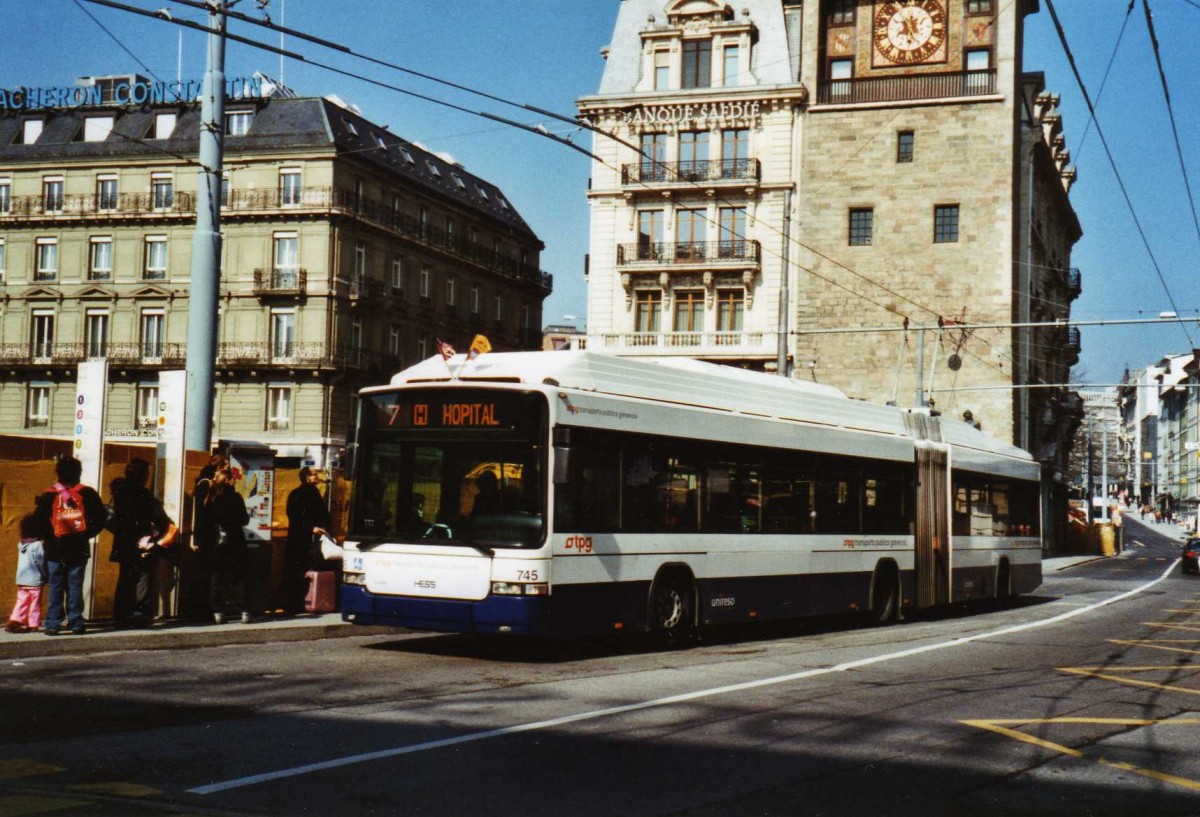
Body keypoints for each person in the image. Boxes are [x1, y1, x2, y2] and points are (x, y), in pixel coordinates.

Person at [34, 456, 105, 636]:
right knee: (75, 585)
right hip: (78, 547)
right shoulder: (87, 493)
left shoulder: (49, 495)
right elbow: (100, 519)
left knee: (55, 585)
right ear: (78, 473)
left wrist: (49, 538)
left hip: (54, 549)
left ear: (58, 474)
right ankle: (76, 622)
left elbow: (38, 522)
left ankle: (53, 623)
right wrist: (85, 534)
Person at [105, 458, 178, 628]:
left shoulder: (119, 493)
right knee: (143, 578)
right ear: (143, 475)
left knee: (125, 579)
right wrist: (152, 536)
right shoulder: (145, 495)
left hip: (124, 542)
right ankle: (138, 614)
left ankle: (121, 616)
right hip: (142, 542)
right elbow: (160, 519)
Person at [205, 467, 252, 624]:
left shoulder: (211, 497)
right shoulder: (236, 497)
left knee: (216, 576)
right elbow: (244, 520)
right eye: (232, 478)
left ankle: (217, 612)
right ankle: (244, 610)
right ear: (227, 480)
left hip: (216, 541)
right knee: (240, 576)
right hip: (236, 540)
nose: (235, 481)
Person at [284, 467, 331, 615]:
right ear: (306, 477)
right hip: (298, 539)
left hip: (310, 538)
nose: (317, 476)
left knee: (307, 570)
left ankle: (305, 601)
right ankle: (293, 604)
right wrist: (312, 528)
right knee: (296, 571)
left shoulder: (315, 493)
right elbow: (294, 516)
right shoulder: (297, 494)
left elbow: (322, 513)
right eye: (313, 474)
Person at [6, 514, 47, 634]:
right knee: (35, 603)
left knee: (21, 601)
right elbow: (41, 562)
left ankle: (15, 620)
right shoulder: (37, 545)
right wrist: (45, 575)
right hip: (34, 580)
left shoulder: (21, 544)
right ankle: (33, 624)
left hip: (22, 579)